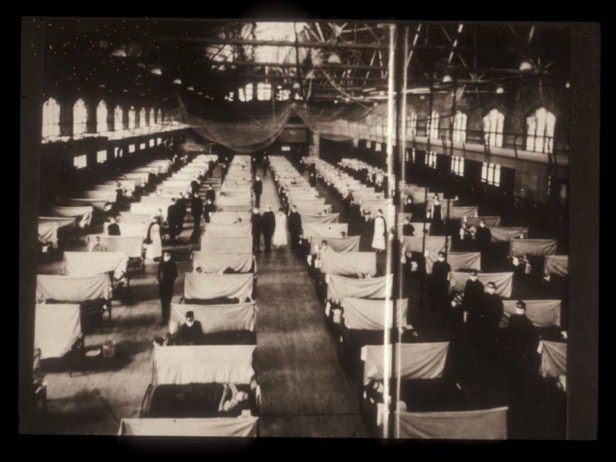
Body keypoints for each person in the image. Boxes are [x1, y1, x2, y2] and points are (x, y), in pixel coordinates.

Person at [506, 301, 539, 403]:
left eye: (520, 309)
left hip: (519, 352)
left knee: (518, 375)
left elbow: (531, 338)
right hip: (517, 351)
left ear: (524, 310)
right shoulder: (521, 321)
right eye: (518, 308)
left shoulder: (524, 322)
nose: (519, 310)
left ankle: (517, 396)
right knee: (517, 375)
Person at [157, 252, 178, 326]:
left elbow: (175, 274)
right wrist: (160, 279)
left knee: (168, 302)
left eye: (168, 255)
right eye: (165, 255)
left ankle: (167, 318)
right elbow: (158, 274)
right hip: (162, 286)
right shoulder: (161, 263)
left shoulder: (172, 263)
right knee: (163, 303)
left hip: (169, 286)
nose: (166, 256)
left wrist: (168, 279)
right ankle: (164, 319)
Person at [462, 270, 485, 335]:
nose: (472, 276)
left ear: (476, 276)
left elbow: (481, 298)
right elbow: (466, 295)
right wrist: (465, 306)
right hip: (469, 307)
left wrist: (480, 309)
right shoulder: (468, 282)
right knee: (468, 323)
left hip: (476, 307)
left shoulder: (480, 285)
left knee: (475, 323)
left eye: (473, 275)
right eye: (471, 275)